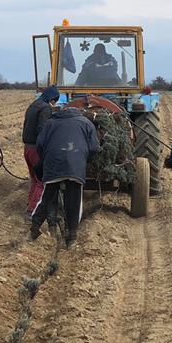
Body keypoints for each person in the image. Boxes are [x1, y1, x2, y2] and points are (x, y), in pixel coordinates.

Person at [29, 106, 100, 248]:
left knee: (47, 197)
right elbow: (94, 147)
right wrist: (82, 159)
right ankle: (71, 237)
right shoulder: (86, 123)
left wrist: (47, 159)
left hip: (53, 164)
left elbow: (40, 144)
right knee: (74, 200)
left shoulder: (50, 123)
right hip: (75, 167)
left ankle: (34, 230)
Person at [22, 86, 60, 214]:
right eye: (54, 100)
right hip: (36, 150)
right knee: (42, 181)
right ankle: (32, 211)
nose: (54, 103)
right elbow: (42, 131)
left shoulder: (33, 105)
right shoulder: (45, 108)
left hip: (27, 148)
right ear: (51, 98)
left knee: (34, 178)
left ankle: (29, 203)